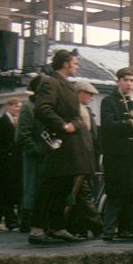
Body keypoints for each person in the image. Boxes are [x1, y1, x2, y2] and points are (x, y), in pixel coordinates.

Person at [31, 49, 89, 245]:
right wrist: (63, 125)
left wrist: (74, 125)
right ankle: (38, 228)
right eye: (75, 63)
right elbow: (42, 108)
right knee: (50, 185)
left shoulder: (67, 85)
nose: (77, 66)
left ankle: (57, 226)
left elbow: (75, 115)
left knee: (63, 185)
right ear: (65, 64)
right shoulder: (50, 83)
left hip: (69, 143)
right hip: (58, 141)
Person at [100, 68, 133, 240]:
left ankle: (128, 228)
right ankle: (109, 230)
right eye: (126, 80)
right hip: (117, 155)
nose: (129, 84)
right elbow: (108, 126)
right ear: (118, 81)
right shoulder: (108, 101)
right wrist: (131, 125)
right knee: (117, 193)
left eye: (132, 80)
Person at [15, 75, 51, 233]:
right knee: (32, 188)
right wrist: (37, 150)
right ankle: (27, 222)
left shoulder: (45, 107)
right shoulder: (28, 107)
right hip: (35, 156)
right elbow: (23, 134)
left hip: (46, 155)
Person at [68, 80, 103, 238]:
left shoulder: (85, 110)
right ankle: (96, 225)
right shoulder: (76, 110)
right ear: (80, 93)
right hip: (79, 157)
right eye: (89, 94)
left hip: (87, 157)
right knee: (84, 192)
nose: (91, 97)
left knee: (81, 193)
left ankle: (79, 227)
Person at [0, 97, 23, 231]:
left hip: (13, 163)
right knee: (3, 192)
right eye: (16, 106)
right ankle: (10, 220)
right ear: (8, 106)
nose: (18, 109)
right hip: (3, 163)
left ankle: (6, 220)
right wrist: (5, 154)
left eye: (20, 107)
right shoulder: (0, 122)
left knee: (6, 192)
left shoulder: (17, 123)